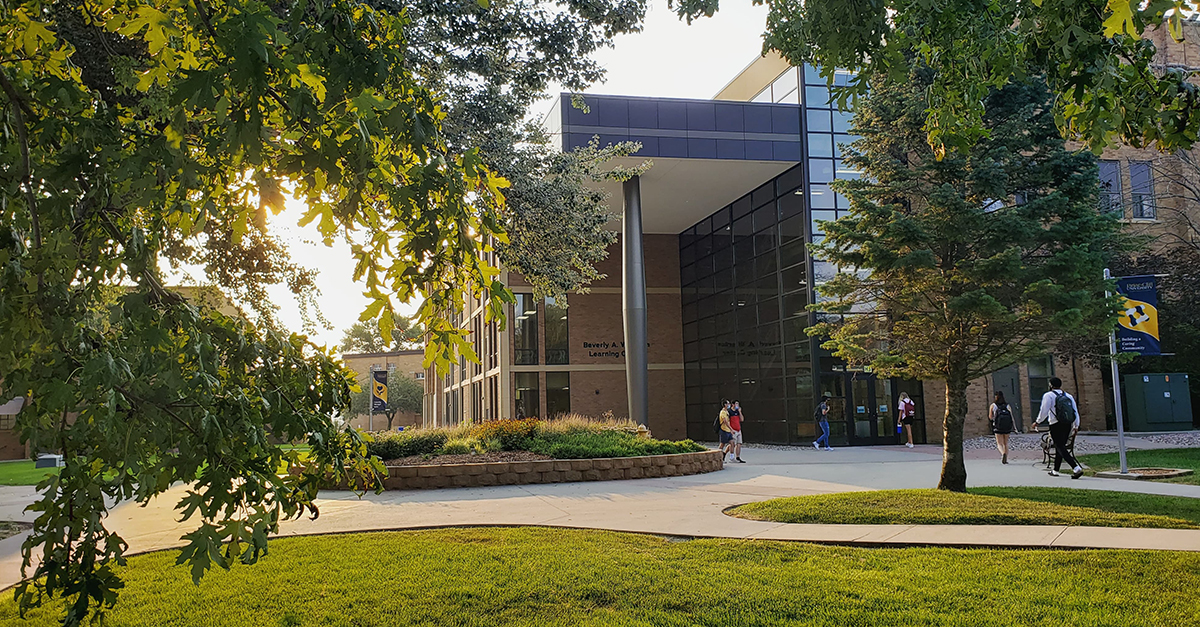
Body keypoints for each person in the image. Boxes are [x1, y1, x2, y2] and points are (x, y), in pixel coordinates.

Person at [1034, 377, 1083, 479]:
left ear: (1051, 385)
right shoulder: (1068, 396)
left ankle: (1076, 468)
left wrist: (1037, 422)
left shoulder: (1048, 396)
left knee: (1059, 446)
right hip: (1067, 424)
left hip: (1055, 424)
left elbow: (1044, 410)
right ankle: (1055, 470)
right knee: (1061, 446)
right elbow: (1075, 411)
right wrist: (1076, 425)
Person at [989, 391, 1015, 464]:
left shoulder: (993, 405)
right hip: (1007, 427)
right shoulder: (1007, 406)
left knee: (999, 444)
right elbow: (1011, 417)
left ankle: (1003, 453)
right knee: (1005, 443)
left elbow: (990, 417)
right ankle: (1006, 456)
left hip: (998, 427)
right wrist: (1014, 428)